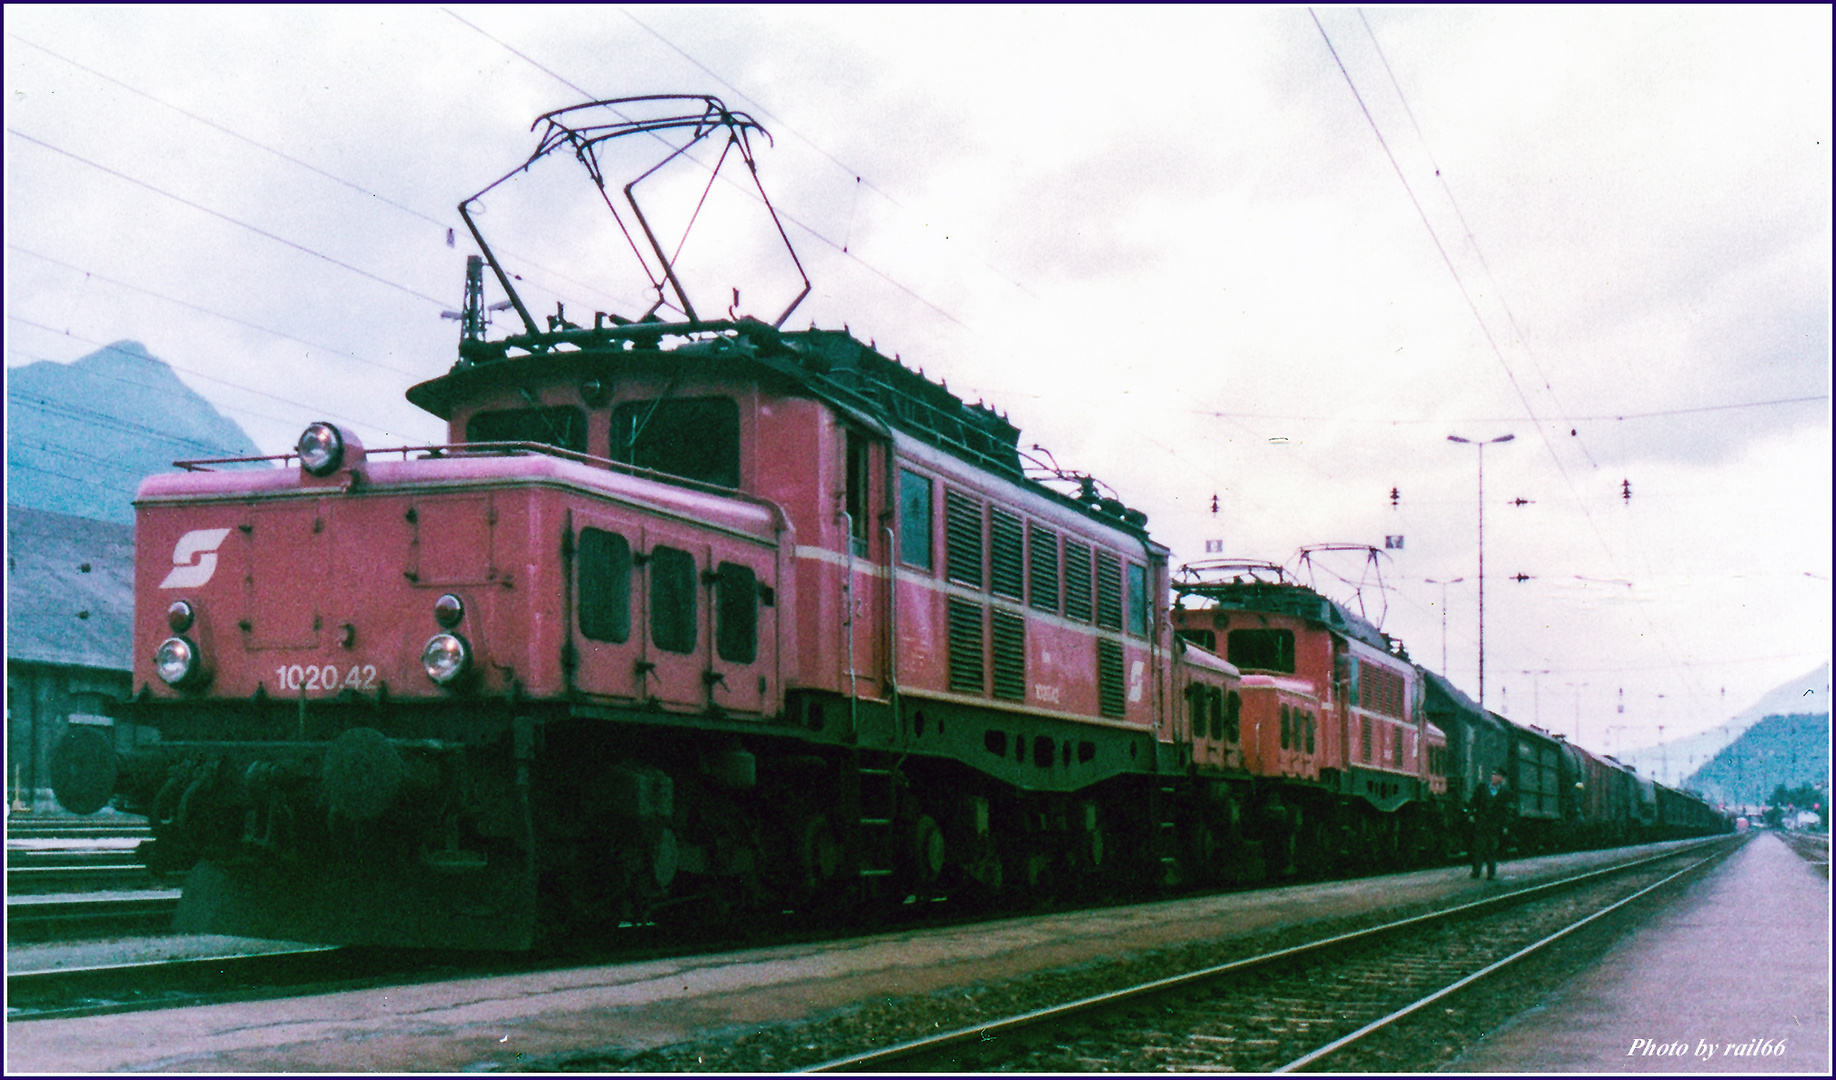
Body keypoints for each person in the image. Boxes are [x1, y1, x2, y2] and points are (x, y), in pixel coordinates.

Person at [1467, 766, 1513, 880]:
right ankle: (1476, 871)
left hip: (1494, 825)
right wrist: (1471, 814)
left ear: (1502, 779)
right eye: (1494, 775)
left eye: (1498, 776)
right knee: (1478, 848)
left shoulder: (1504, 793)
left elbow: (1506, 810)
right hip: (1481, 823)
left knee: (1492, 849)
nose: (1495, 777)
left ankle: (1491, 874)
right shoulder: (1481, 788)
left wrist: (1505, 825)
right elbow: (1473, 802)